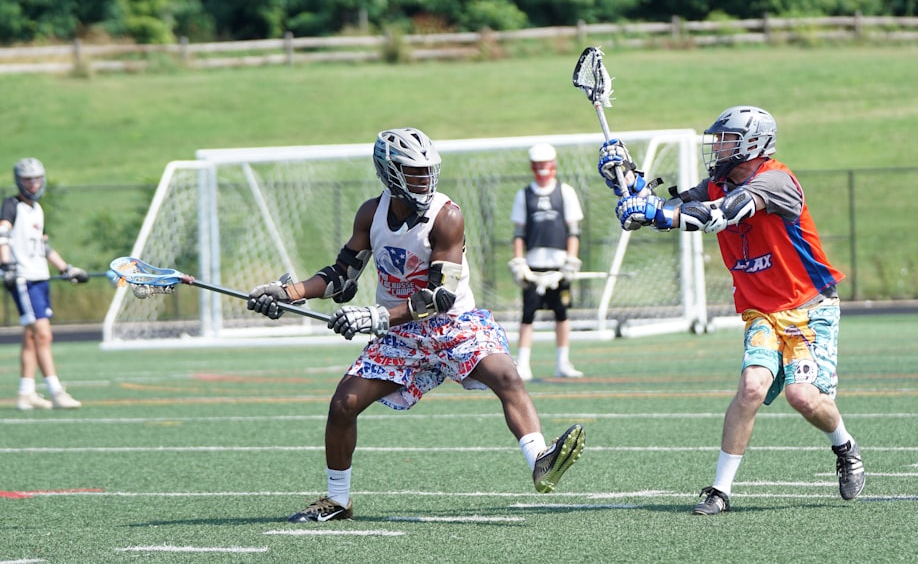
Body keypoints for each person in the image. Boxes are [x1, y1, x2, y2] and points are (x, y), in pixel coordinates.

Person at [247, 127, 585, 522]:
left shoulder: (447, 216)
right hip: (400, 335)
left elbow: (440, 296)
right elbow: (342, 276)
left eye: (428, 171)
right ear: (389, 172)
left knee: (506, 375)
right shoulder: (371, 213)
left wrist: (376, 316)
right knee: (343, 405)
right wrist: (289, 294)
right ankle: (337, 501)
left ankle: (538, 460)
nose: (425, 179)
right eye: (415, 172)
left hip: (451, 323)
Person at [598, 105, 865, 514]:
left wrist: (657, 211)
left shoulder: (776, 181)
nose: (718, 148)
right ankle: (720, 490)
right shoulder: (716, 184)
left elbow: (721, 215)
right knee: (751, 387)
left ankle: (845, 447)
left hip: (809, 308)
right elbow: (668, 210)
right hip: (762, 311)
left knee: (803, 397)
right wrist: (627, 183)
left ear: (752, 145)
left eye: (726, 141)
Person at [2, 158, 87, 410]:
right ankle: (56, 390)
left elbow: (43, 246)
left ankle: (26, 392)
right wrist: (6, 265)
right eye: (28, 179)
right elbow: (2, 234)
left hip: (40, 278)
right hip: (23, 279)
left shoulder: (37, 209)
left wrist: (66, 268)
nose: (33, 183)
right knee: (43, 334)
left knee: (31, 337)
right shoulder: (11, 205)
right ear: (20, 181)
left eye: (37, 178)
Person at [508, 142, 585, 380]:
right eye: (538, 166)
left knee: (561, 312)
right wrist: (520, 262)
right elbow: (519, 233)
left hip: (559, 265)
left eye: (546, 165)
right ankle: (523, 364)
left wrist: (570, 261)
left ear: (553, 165)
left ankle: (562, 362)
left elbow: (573, 231)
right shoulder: (524, 195)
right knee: (528, 314)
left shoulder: (566, 192)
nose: (543, 170)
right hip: (533, 265)